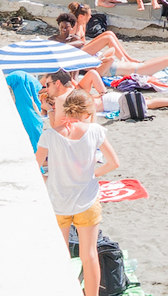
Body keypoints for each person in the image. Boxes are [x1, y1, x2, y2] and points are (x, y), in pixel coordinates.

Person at [38, 89, 119, 296]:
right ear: (87, 111)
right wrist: (93, 173)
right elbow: (114, 163)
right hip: (87, 200)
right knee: (89, 255)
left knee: (61, 254)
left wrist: (49, 178)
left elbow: (35, 166)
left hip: (59, 201)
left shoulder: (50, 135)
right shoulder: (95, 130)